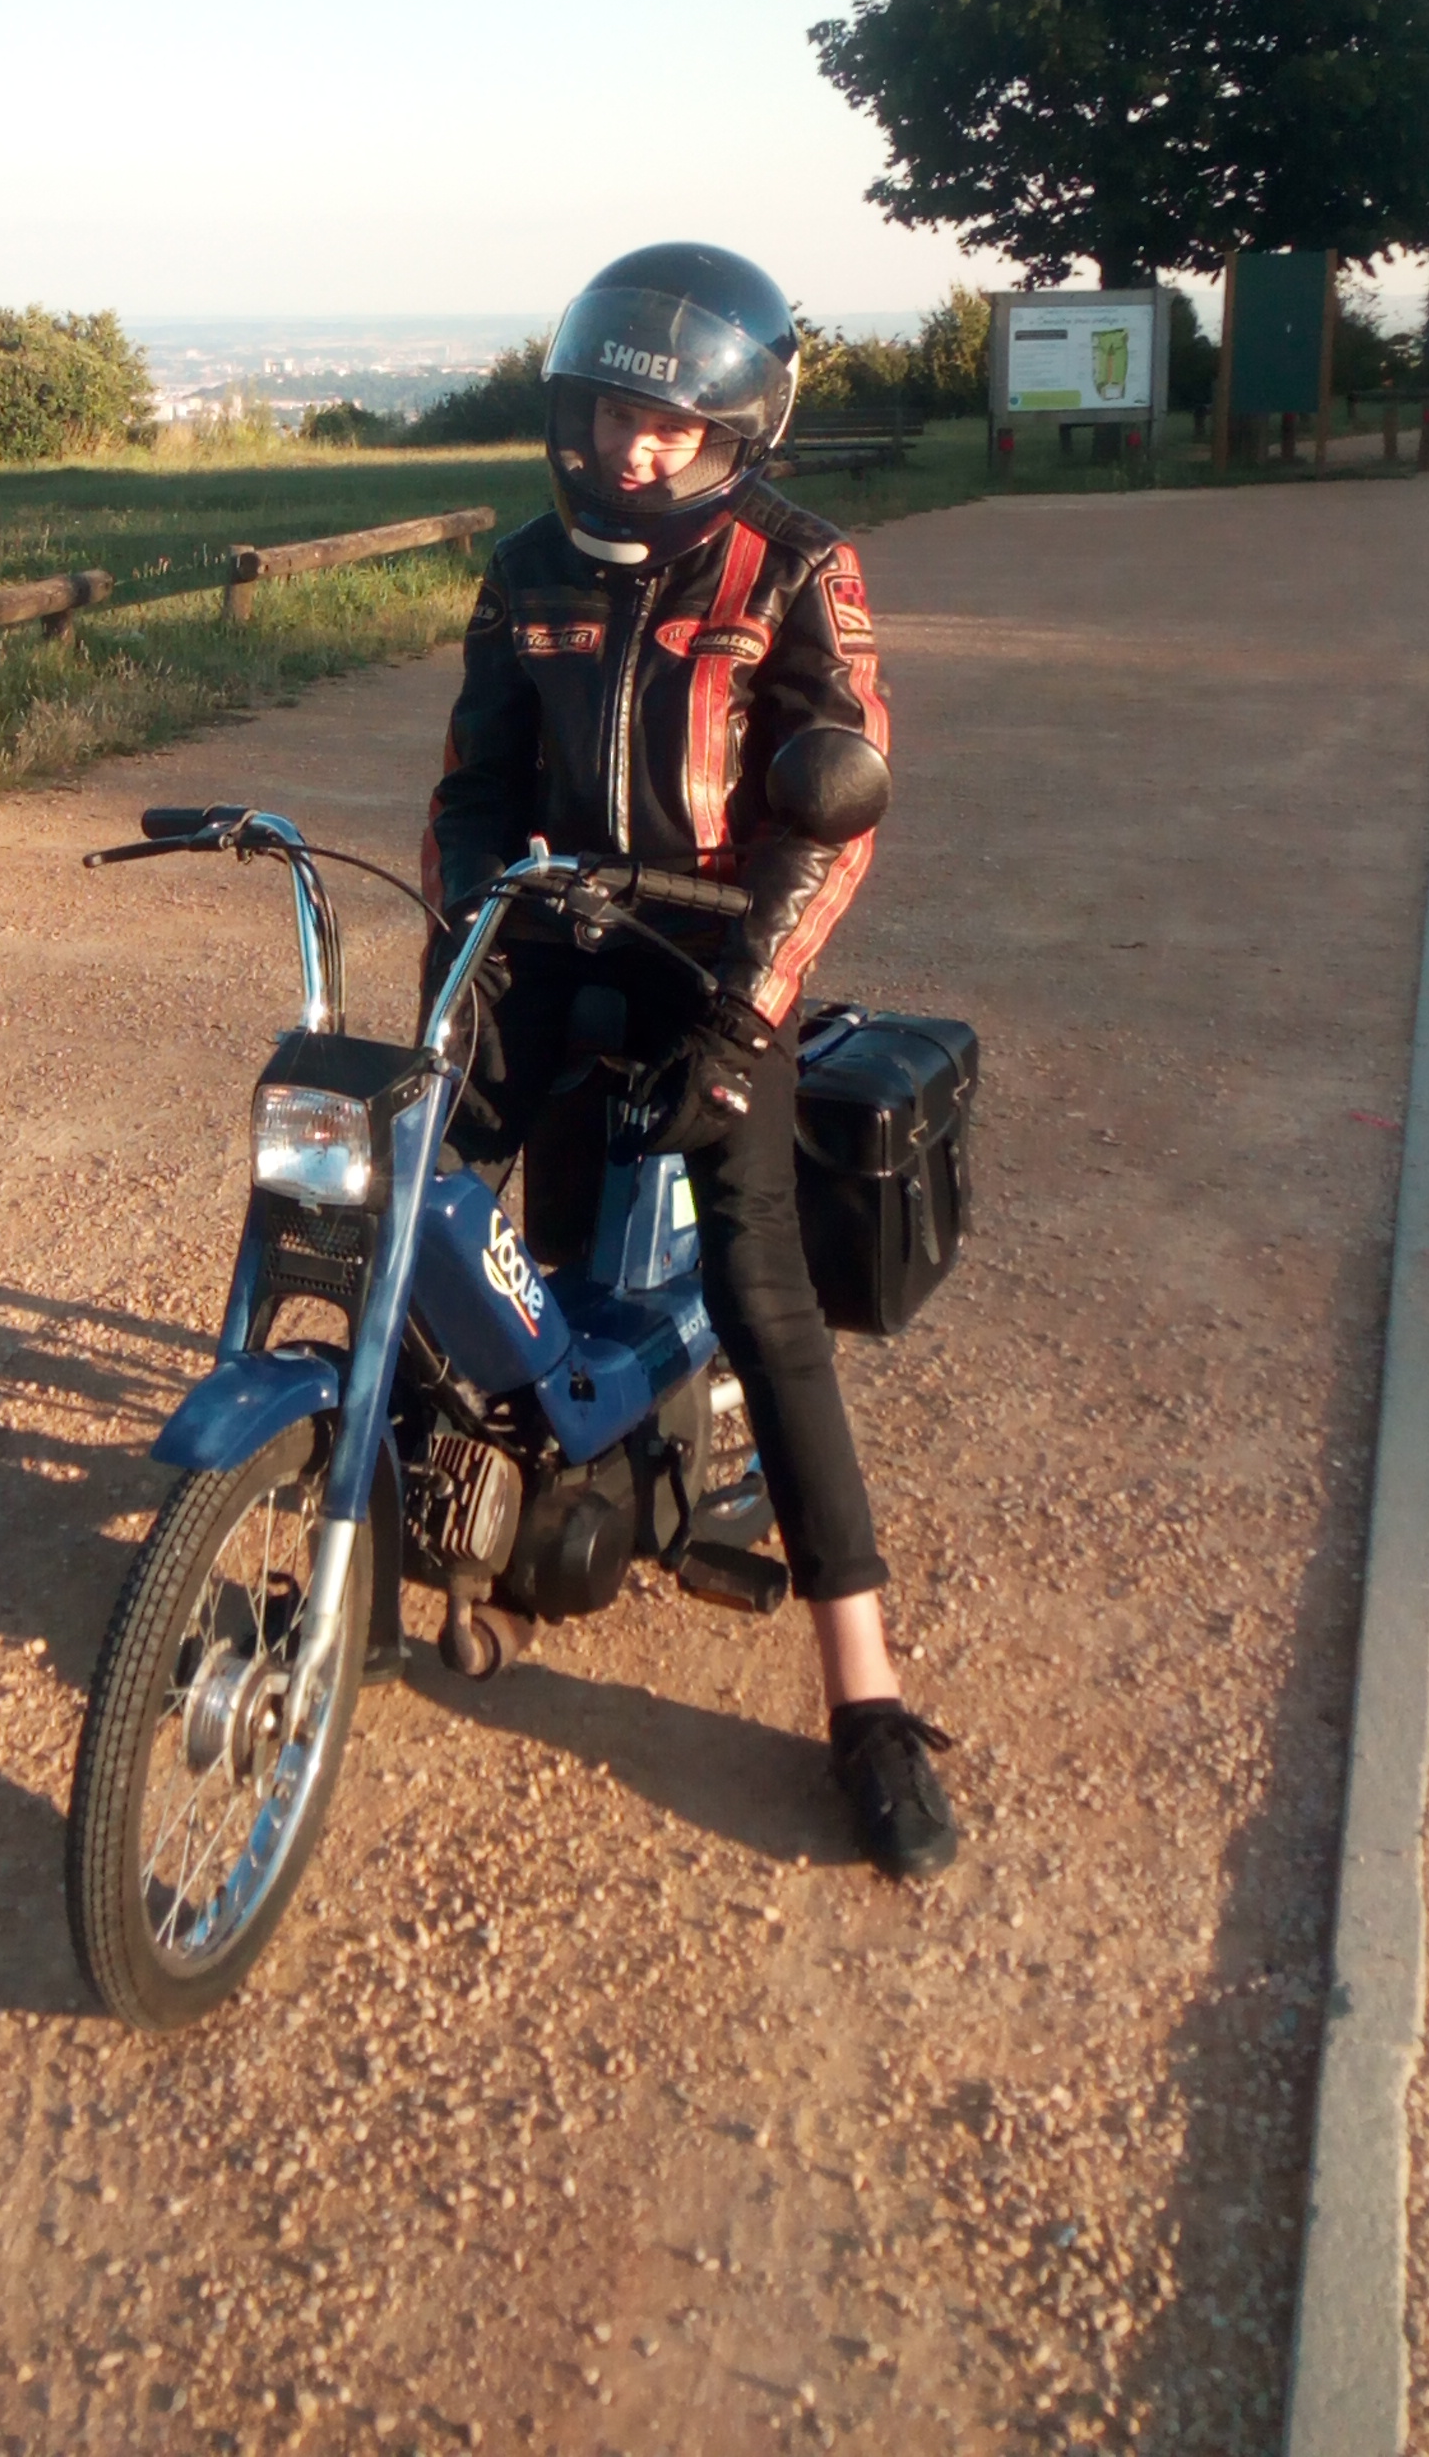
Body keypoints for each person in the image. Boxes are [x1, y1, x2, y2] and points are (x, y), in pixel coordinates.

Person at [422, 240, 958, 1881]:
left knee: (759, 1278)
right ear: (571, 412)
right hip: (549, 929)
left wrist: (744, 1015)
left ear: (734, 433)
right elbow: (472, 780)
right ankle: (444, 1487)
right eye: (613, 415)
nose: (637, 450)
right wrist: (466, 950)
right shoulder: (527, 569)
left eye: (673, 427)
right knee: (427, 1196)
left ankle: (866, 1696)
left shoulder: (795, 565)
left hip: (714, 955)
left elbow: (832, 810)